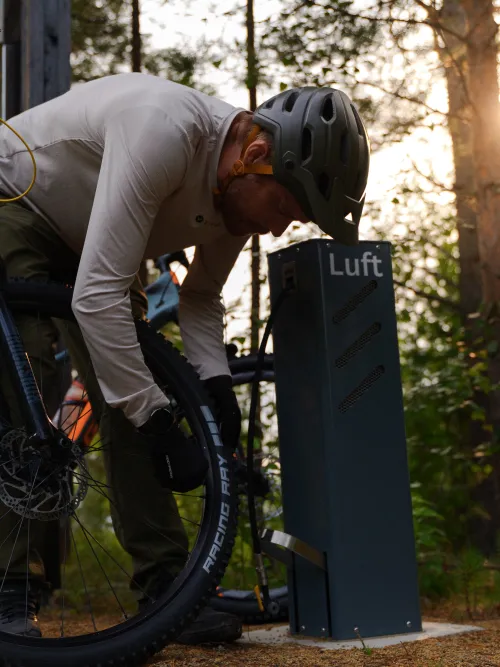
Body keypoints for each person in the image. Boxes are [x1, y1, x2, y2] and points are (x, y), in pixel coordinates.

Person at [0, 73, 370, 640]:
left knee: (131, 385)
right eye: (284, 206)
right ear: (255, 154)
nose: (276, 227)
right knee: (25, 375)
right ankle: (9, 589)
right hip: (18, 199)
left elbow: (199, 296)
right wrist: (158, 420)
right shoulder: (165, 130)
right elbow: (97, 296)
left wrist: (214, 386)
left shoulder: (238, 193)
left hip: (89, 240)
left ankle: (170, 586)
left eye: (292, 221)